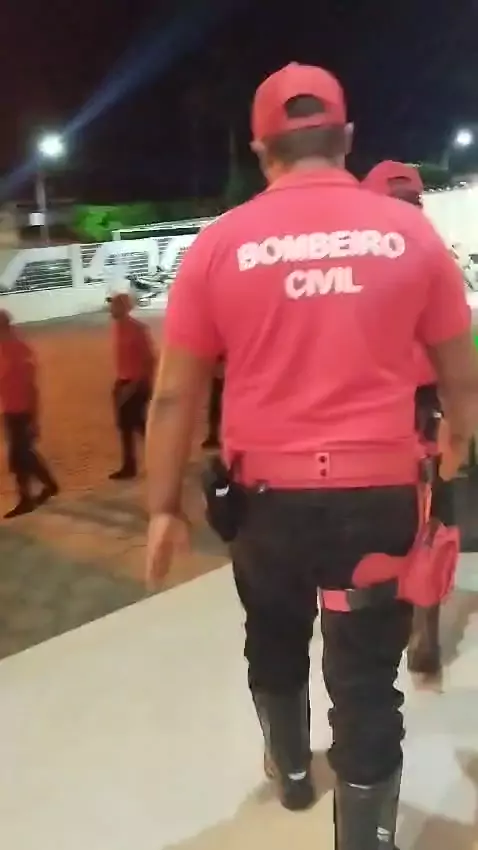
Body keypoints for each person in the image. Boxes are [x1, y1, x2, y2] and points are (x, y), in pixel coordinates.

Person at [145, 63, 476, 848]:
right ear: (347, 139)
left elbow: (173, 397)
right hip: (377, 499)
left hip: (267, 507)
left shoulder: (220, 244)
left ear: (262, 149)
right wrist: (457, 446)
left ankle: (293, 772)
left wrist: (161, 508)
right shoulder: (410, 235)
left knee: (275, 634)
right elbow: (462, 376)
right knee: (366, 682)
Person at [363, 160, 462, 679]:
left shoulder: (358, 263)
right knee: (432, 525)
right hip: (427, 411)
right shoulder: (433, 256)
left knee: (377, 529)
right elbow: (458, 353)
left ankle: (388, 631)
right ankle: (423, 632)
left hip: (377, 417)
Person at [0, 310, 58, 518]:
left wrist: (34, 419)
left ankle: (26, 498)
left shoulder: (20, 350)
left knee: (19, 456)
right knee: (25, 454)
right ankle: (50, 485)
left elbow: (32, 388)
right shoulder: (4, 347)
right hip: (9, 409)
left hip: (23, 411)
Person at [107, 293, 155, 480]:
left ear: (125, 308)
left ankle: (161, 456)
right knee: (127, 426)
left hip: (137, 384)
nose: (111, 309)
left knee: (138, 425)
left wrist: (134, 385)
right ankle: (129, 465)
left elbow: (149, 360)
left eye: (115, 305)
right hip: (123, 381)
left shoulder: (137, 329)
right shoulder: (118, 328)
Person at [202, 357, 224, 450]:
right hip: (216, 381)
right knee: (214, 410)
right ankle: (214, 435)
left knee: (217, 410)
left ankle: (215, 435)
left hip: (221, 381)